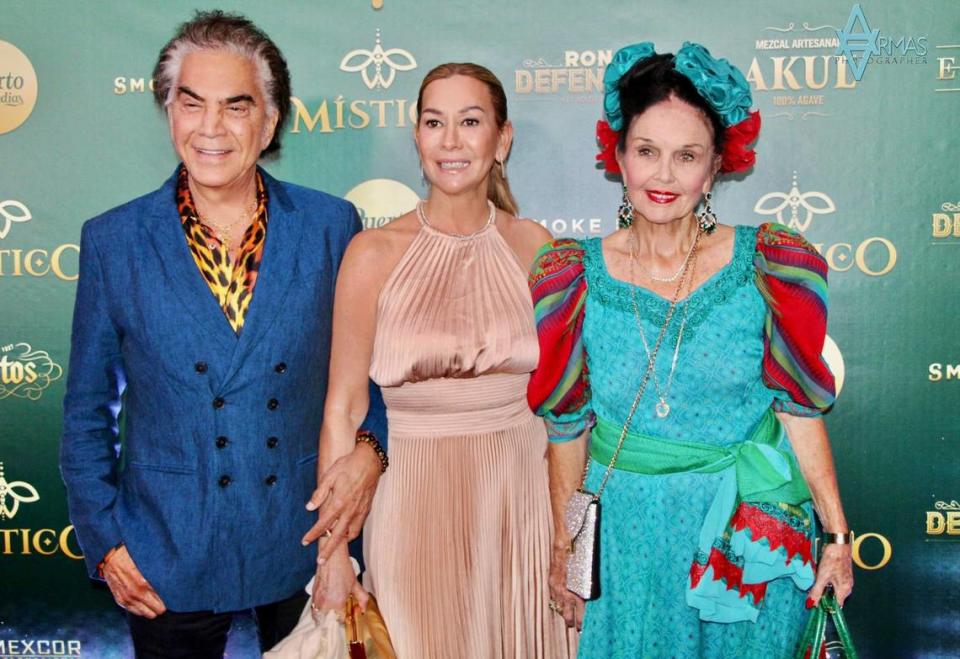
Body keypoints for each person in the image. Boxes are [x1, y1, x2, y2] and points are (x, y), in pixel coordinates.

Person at [59, 11, 386, 657]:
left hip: (304, 534)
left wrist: (373, 449)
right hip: (166, 547)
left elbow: (370, 370)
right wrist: (105, 539)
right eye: (191, 103)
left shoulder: (330, 225)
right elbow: (86, 410)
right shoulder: (114, 239)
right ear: (169, 112)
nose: (211, 128)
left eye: (236, 107)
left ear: (268, 122)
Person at [528, 42, 854, 658]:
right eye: (647, 152)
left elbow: (799, 412)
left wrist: (836, 534)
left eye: (687, 156)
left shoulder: (770, 265)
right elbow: (566, 430)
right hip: (631, 538)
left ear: (714, 169)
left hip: (747, 539)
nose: (664, 176)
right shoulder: (572, 279)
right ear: (619, 156)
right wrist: (566, 549)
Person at [302, 63, 573, 658]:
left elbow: (565, 410)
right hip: (410, 500)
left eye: (470, 122)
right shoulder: (372, 253)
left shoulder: (537, 247)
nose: (450, 140)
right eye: (434, 122)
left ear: (502, 140)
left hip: (519, 495)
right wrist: (335, 557)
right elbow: (343, 408)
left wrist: (565, 531)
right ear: (417, 138)